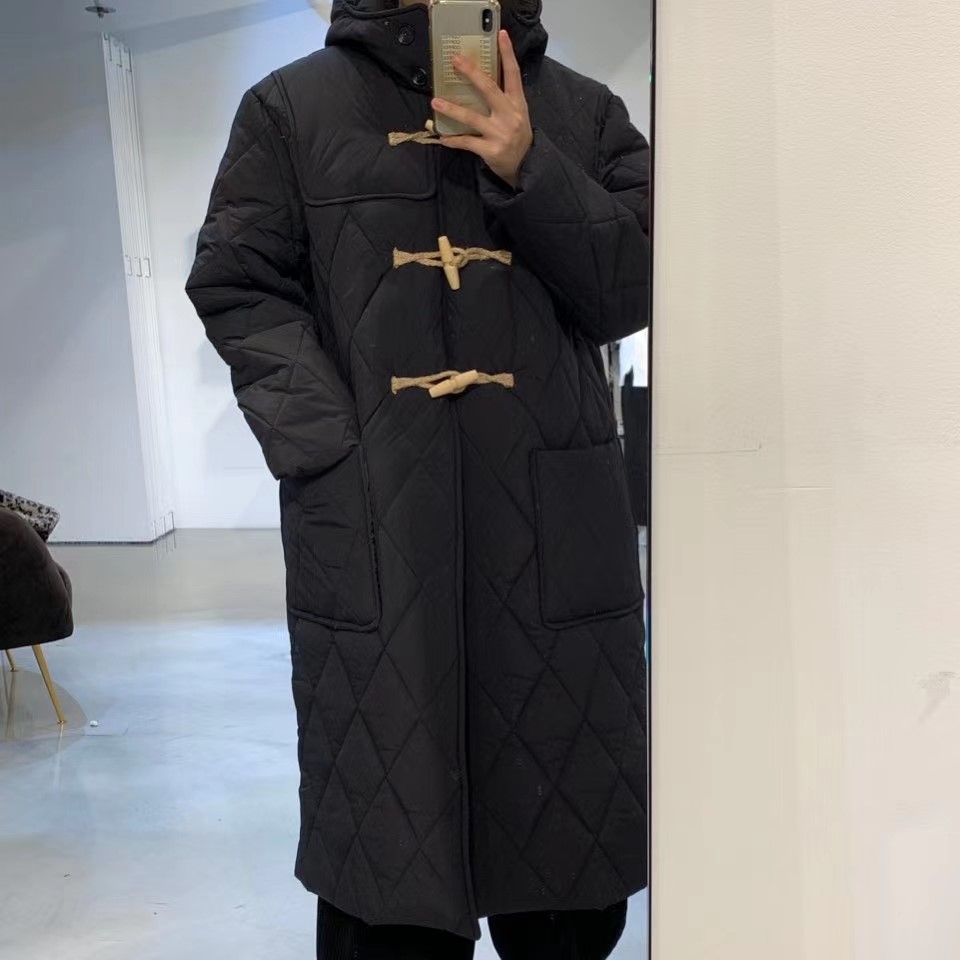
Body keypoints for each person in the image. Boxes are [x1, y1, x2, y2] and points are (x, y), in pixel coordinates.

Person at [186, 0, 649, 957]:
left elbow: (635, 288)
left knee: (564, 887)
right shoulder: (289, 110)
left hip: (552, 529)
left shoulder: (585, 112)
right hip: (375, 524)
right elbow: (237, 283)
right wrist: (330, 450)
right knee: (389, 870)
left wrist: (531, 166)